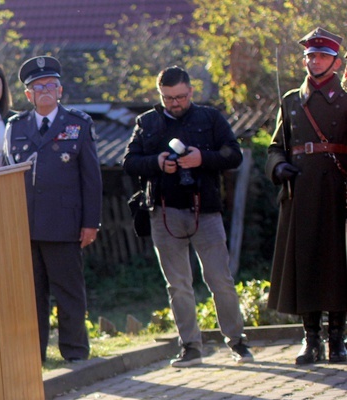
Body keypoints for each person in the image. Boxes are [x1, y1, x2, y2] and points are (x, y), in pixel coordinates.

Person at [123, 66, 254, 368]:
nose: (175, 103)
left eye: (180, 97)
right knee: (178, 285)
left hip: (204, 211)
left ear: (191, 91)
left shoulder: (210, 118)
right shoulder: (147, 122)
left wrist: (202, 158)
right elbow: (128, 162)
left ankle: (237, 341)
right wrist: (156, 163)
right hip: (164, 212)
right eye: (168, 98)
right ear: (160, 95)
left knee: (220, 279)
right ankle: (191, 347)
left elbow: (234, 154)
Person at [2, 55, 102, 363]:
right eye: (37, 86)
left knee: (69, 292)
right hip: (27, 225)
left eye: (50, 85)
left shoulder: (78, 124)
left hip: (65, 224)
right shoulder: (14, 127)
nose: (44, 90)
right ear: (28, 95)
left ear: (60, 90)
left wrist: (90, 223)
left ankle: (75, 352)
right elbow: (7, 177)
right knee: (32, 296)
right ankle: (35, 355)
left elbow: (91, 179)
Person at [266, 27, 347, 365]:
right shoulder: (290, 101)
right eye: (310, 56)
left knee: (338, 265)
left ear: (337, 62)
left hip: (338, 192)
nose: (314, 61)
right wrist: (279, 166)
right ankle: (309, 339)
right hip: (300, 193)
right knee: (305, 264)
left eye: (322, 56)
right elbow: (275, 147)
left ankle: (337, 341)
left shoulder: (345, 100)